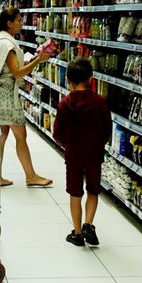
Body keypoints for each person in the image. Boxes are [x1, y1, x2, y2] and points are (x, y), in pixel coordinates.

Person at [0, 6, 52, 187]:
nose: (21, 24)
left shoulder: (1, 39)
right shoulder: (8, 45)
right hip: (7, 97)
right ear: (9, 23)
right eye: (19, 21)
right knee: (20, 134)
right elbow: (17, 73)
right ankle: (31, 176)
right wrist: (38, 60)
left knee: (2, 134)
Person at [52, 57, 111, 246]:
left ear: (68, 79)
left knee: (75, 193)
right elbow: (107, 131)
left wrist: (68, 145)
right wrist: (99, 143)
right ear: (91, 78)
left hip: (73, 155)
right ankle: (88, 224)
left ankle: (77, 234)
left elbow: (57, 134)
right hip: (94, 154)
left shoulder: (63, 104)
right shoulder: (101, 102)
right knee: (93, 191)